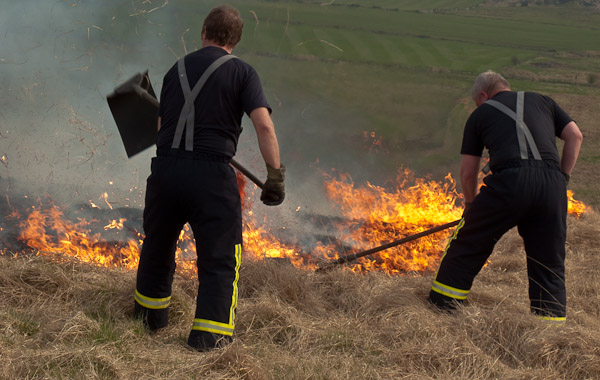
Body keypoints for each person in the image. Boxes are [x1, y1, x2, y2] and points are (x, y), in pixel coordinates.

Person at [133, 5, 285, 351]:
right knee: (219, 258)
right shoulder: (243, 73)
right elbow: (263, 124)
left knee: (157, 247)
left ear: (204, 32)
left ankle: (148, 320)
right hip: (211, 177)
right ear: (236, 39)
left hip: (166, 171)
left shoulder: (176, 69)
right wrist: (275, 175)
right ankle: (208, 339)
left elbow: (158, 127)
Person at [428, 70, 582, 321]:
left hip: (510, 182)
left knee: (468, 244)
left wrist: (470, 205)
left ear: (483, 95)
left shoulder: (481, 114)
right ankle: (550, 333)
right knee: (548, 262)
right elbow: (575, 136)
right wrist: (562, 178)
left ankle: (443, 308)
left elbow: (468, 173)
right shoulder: (544, 101)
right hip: (552, 187)